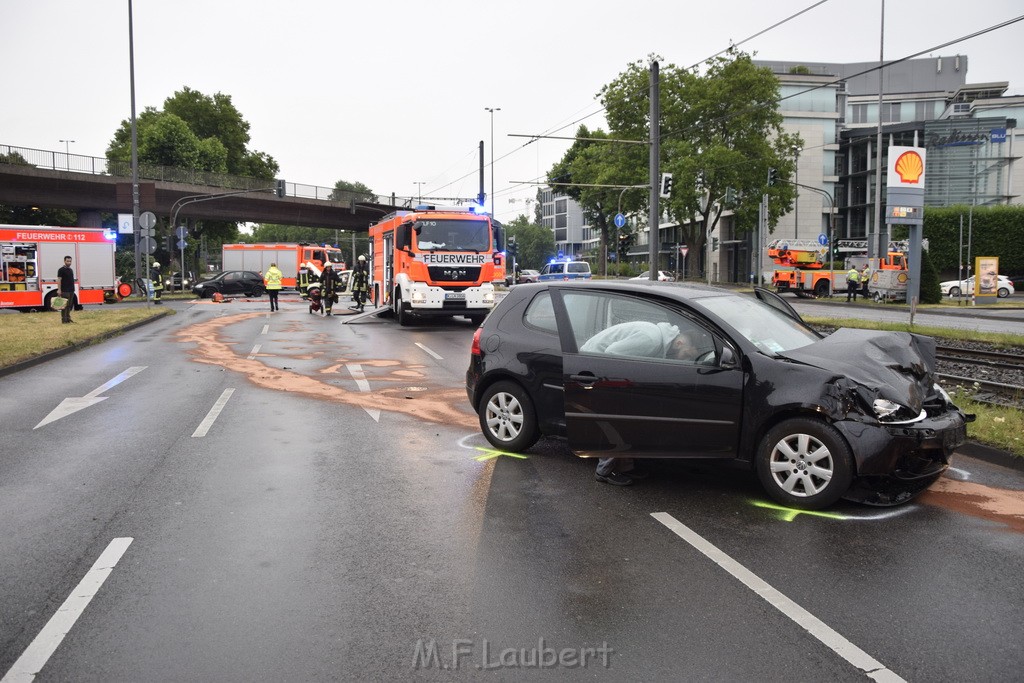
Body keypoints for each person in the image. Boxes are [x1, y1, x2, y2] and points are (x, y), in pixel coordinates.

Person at [583, 321, 705, 485]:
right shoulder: (651, 340)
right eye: (687, 355)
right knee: (620, 421)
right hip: (593, 369)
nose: (686, 360)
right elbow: (611, 355)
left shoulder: (659, 340)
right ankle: (604, 471)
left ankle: (625, 467)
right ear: (679, 343)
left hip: (603, 370)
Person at [57, 255, 75, 323]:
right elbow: (59, 280)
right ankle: (64, 320)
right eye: (67, 261)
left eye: (70, 261)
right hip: (65, 290)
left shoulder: (70, 270)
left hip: (71, 290)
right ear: (64, 261)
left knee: (69, 305)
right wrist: (59, 289)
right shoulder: (61, 270)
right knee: (64, 306)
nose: (69, 262)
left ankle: (68, 318)